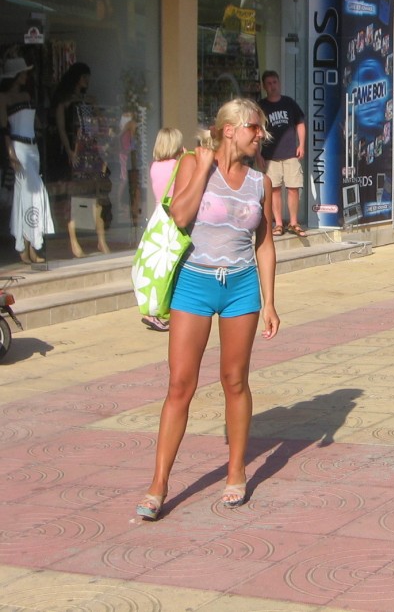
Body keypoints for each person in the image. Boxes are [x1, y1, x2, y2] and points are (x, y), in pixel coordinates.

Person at [136, 98, 280, 520]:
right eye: (255, 127)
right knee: (180, 384)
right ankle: (158, 484)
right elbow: (178, 217)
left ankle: (236, 473)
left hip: (240, 288)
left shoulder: (261, 182)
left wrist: (270, 301)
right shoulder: (190, 166)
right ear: (230, 129)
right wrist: (201, 169)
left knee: (235, 381)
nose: (261, 134)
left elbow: (265, 243)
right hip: (194, 285)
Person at [52, 62, 111, 258]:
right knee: (76, 196)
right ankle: (74, 241)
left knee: (96, 197)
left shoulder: (87, 100)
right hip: (76, 151)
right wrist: (69, 150)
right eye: (84, 77)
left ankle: (101, 240)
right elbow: (62, 127)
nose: (87, 82)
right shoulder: (65, 101)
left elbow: (98, 122)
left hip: (90, 150)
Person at [1, 57, 55, 264]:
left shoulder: (26, 94)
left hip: (33, 147)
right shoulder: (4, 97)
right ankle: (26, 245)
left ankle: (30, 246)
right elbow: (5, 129)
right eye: (22, 73)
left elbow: (36, 122)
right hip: (18, 147)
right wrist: (10, 154)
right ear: (15, 75)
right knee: (30, 194)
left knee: (27, 196)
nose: (25, 76)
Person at [141, 127, 186, 333]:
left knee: (158, 268)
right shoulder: (178, 166)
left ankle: (153, 309)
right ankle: (161, 310)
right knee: (173, 267)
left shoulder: (154, 166)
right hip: (173, 217)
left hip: (158, 216)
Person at [257, 70, 306, 237]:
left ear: (279, 83)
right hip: (270, 156)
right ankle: (278, 224)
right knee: (274, 190)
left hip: (290, 153)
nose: (272, 86)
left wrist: (301, 145)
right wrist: (258, 155)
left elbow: (300, 123)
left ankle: (293, 222)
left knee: (293, 188)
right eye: (269, 84)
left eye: (274, 82)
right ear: (264, 87)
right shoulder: (261, 107)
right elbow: (256, 132)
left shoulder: (289, 103)